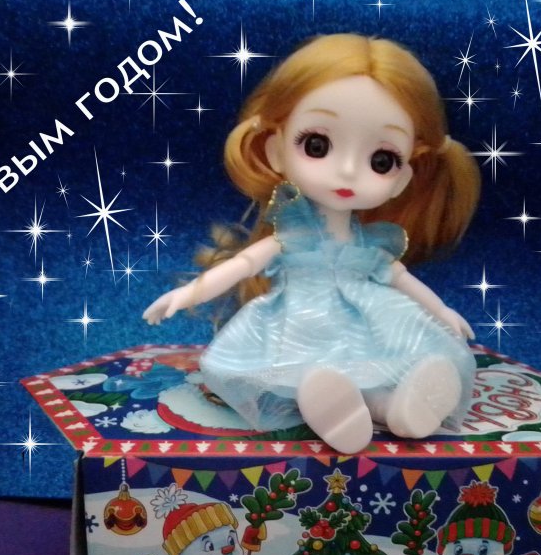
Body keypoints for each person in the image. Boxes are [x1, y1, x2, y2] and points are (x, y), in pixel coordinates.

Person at [144, 33, 480, 454]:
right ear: (276, 151)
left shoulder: (371, 244)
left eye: (382, 161)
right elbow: (244, 265)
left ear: (402, 179)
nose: (347, 171)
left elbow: (400, 278)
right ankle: (325, 405)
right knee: (301, 372)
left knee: (385, 363)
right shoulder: (292, 236)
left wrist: (442, 312)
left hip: (370, 321)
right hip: (300, 323)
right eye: (317, 145)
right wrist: (188, 293)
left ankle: (397, 408)